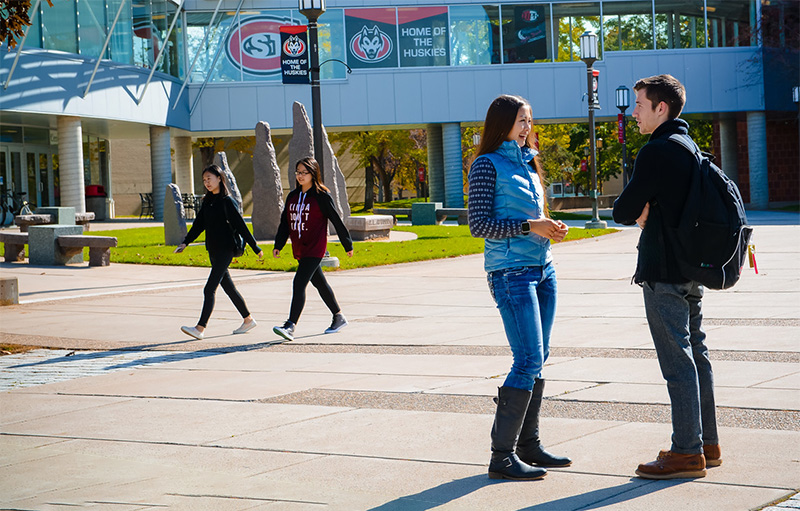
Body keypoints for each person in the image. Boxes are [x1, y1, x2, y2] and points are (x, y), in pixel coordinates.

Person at [612, 74, 720, 480]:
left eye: (640, 104)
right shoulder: (691, 148)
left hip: (663, 271)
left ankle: (686, 453)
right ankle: (707, 442)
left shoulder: (656, 151)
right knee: (697, 356)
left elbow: (622, 209)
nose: (634, 111)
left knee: (678, 363)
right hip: (692, 269)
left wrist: (641, 213)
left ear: (662, 108)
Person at [468, 94, 571, 481]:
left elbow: (530, 215)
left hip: (543, 270)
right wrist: (531, 226)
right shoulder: (485, 165)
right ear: (503, 124)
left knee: (538, 358)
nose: (527, 127)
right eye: (520, 121)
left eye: (529, 120)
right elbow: (479, 226)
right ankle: (502, 456)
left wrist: (549, 226)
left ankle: (529, 445)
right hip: (511, 274)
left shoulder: (528, 163)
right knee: (527, 359)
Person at [175, 164, 263, 340]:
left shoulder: (227, 202)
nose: (206, 182)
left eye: (209, 178)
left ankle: (200, 328)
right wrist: (185, 242)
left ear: (219, 179)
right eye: (204, 180)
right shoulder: (208, 202)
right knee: (228, 287)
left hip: (226, 249)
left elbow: (241, 226)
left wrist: (255, 247)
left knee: (209, 289)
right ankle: (248, 319)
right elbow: (198, 225)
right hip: (213, 250)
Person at [272, 157, 354, 342]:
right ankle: (338, 316)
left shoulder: (321, 196)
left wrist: (347, 244)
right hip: (300, 247)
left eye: (304, 172)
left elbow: (335, 219)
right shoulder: (292, 196)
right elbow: (285, 222)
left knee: (299, 282)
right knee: (320, 283)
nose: (300, 176)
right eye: (298, 172)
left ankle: (290, 325)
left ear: (313, 174)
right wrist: (279, 244)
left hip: (315, 248)